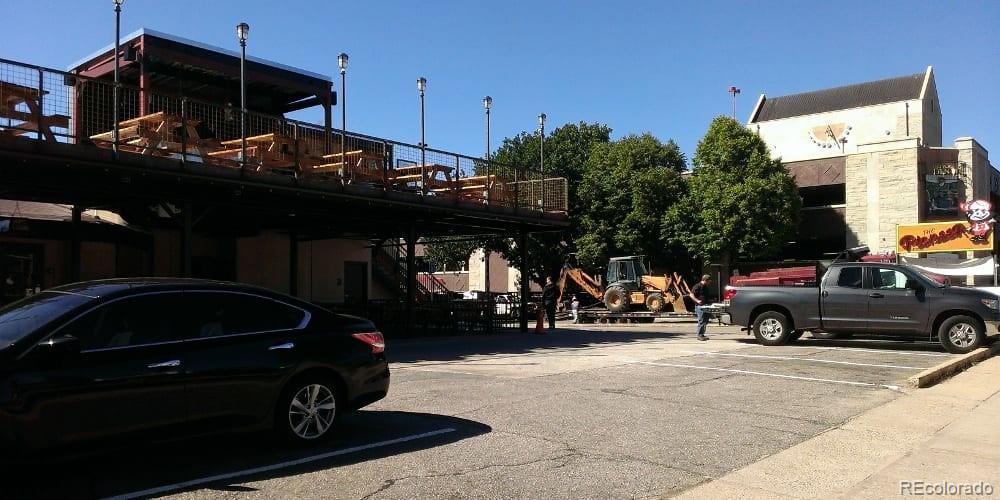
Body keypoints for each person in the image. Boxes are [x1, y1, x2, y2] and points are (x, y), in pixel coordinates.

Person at [689, 274, 713, 341]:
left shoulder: (705, 287)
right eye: (709, 281)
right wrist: (697, 301)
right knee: (701, 320)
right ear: (706, 280)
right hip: (700, 306)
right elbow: (691, 294)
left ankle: (702, 334)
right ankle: (699, 335)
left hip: (705, 306)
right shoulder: (698, 286)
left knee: (705, 321)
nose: (710, 282)